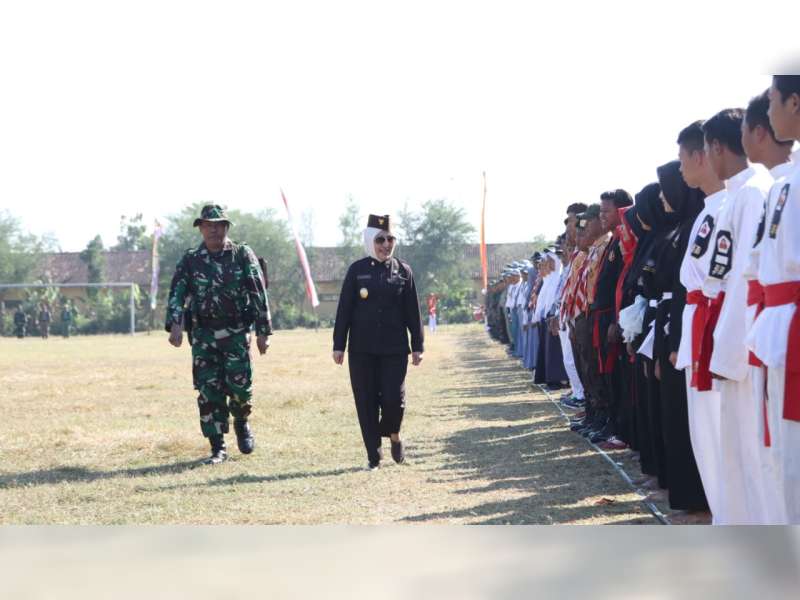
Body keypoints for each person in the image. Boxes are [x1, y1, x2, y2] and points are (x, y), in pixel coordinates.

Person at [701, 108, 774, 524]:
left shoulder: (750, 194)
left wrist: (727, 353)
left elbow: (741, 279)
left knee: (751, 455)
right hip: (735, 327)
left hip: (745, 337)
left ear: (714, 147)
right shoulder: (739, 194)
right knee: (738, 454)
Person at [165, 204, 272, 465]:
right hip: (203, 335)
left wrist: (263, 332)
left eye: (219, 225)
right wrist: (175, 323)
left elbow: (258, 291)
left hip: (236, 332)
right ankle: (218, 447)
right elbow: (177, 292)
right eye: (208, 225)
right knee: (208, 390)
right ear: (200, 228)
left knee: (240, 388)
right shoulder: (191, 259)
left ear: (226, 227)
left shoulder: (241, 254)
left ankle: (242, 422)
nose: (213, 229)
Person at [332, 214, 424, 470]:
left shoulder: (404, 271)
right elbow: (344, 310)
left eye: (390, 239)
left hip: (394, 349)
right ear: (370, 240)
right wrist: (339, 344)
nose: (386, 245)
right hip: (362, 349)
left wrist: (418, 345)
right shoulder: (357, 270)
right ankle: (374, 455)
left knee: (394, 398)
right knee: (366, 400)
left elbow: (412, 312)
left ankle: (394, 435)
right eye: (380, 239)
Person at [748, 74, 800, 523]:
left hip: (792, 321)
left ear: (795, 103)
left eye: (772, 102)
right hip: (780, 326)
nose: (768, 111)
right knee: (786, 455)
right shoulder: (786, 182)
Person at [675, 120, 726, 524]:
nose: (679, 169)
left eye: (682, 158)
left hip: (718, 328)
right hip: (700, 325)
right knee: (705, 438)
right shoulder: (708, 212)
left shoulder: (732, 204)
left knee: (723, 437)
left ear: (700, 155)